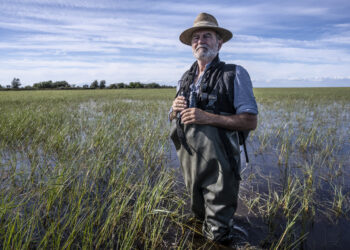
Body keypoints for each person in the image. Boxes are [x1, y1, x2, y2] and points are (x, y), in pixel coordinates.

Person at [169, 13, 258, 245]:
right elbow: (174, 118)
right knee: (198, 217)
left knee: (217, 234)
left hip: (221, 165)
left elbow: (250, 121)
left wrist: (207, 116)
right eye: (196, 38)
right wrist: (173, 110)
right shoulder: (184, 78)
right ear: (191, 45)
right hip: (190, 163)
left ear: (220, 43)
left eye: (207, 36)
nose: (201, 41)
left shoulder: (234, 74)